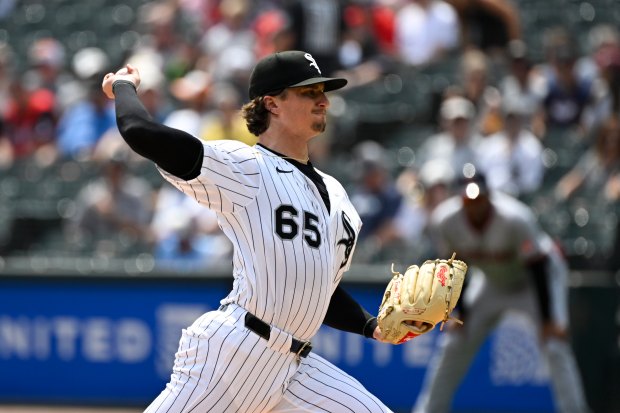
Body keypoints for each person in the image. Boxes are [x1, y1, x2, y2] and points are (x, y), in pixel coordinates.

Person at [102, 50, 403, 412]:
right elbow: (140, 132)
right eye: (309, 92)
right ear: (272, 104)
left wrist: (371, 326)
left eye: (323, 91)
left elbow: (319, 288)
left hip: (296, 368)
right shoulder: (245, 169)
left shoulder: (339, 198)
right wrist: (123, 86)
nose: (323, 100)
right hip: (234, 354)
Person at [412, 172, 590, 413]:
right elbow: (457, 268)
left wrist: (548, 320)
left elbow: (537, 266)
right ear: (459, 199)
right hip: (492, 282)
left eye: (479, 198)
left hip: (535, 280)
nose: (474, 205)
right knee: (454, 341)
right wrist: (461, 311)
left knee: (555, 345)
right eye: (468, 199)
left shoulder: (515, 217)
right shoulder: (446, 220)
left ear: (489, 196)